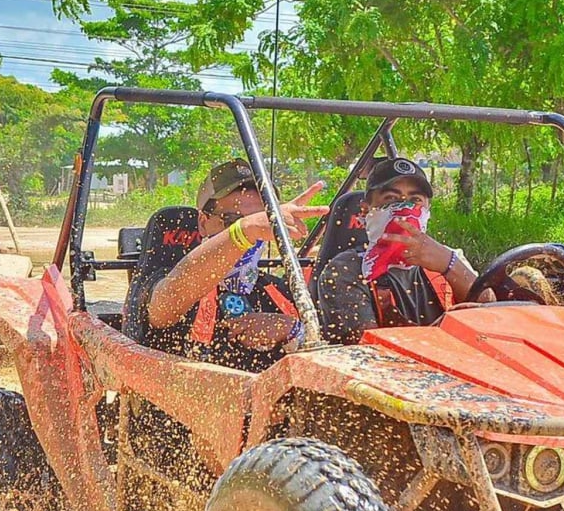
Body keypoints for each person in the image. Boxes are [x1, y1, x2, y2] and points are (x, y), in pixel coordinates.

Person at [145, 159, 327, 372]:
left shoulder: (278, 291)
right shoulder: (171, 279)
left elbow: (328, 361)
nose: (256, 233)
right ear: (203, 223)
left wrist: (292, 331)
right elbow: (163, 308)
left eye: (263, 221)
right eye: (232, 219)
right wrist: (244, 230)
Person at [314, 157, 481, 344]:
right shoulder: (346, 271)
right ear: (365, 210)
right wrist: (446, 329)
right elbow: (365, 354)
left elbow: (492, 312)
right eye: (391, 199)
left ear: (428, 210)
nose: (405, 207)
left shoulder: (450, 258)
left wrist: (450, 265)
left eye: (415, 199)